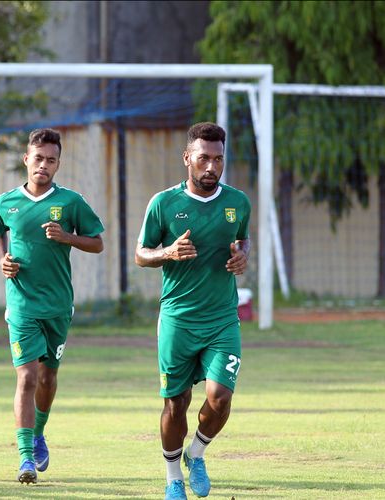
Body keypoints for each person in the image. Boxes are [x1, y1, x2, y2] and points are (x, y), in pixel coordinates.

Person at [135, 122, 251, 500]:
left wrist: (242, 256)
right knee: (176, 402)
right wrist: (167, 252)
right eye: (204, 158)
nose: (211, 167)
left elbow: (241, 239)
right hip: (178, 320)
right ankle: (172, 478)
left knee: (220, 398)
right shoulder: (163, 204)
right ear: (187, 158)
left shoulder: (238, 202)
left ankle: (196, 453)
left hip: (221, 318)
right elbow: (141, 254)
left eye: (218, 159)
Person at [0, 128, 104, 484]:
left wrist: (67, 237)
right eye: (37, 158)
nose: (43, 165)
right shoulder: (6, 201)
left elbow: (97, 243)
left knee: (48, 376)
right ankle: (25, 456)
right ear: (26, 159)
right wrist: (3, 258)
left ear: (58, 163)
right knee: (26, 377)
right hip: (22, 303)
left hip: (58, 305)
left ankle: (39, 432)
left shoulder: (70, 202)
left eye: (50, 160)